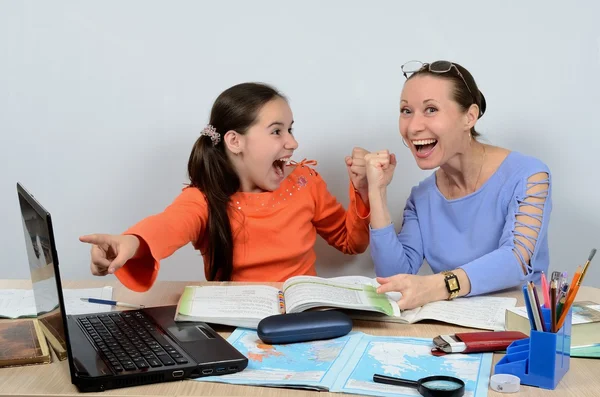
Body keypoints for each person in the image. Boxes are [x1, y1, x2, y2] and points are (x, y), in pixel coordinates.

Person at [80, 82, 371, 292]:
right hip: (235, 326)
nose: (292, 143)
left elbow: (351, 242)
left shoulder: (305, 182)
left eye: (290, 129)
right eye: (276, 131)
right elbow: (168, 226)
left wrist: (362, 192)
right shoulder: (204, 199)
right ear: (235, 142)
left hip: (303, 315)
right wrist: (131, 242)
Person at [364, 60, 551, 310]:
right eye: (406, 111)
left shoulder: (529, 176)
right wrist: (376, 191)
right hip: (449, 331)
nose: (413, 127)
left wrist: (436, 286)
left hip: (518, 327)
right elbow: (394, 278)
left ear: (469, 117)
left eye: (431, 109)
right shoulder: (422, 198)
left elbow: (516, 259)